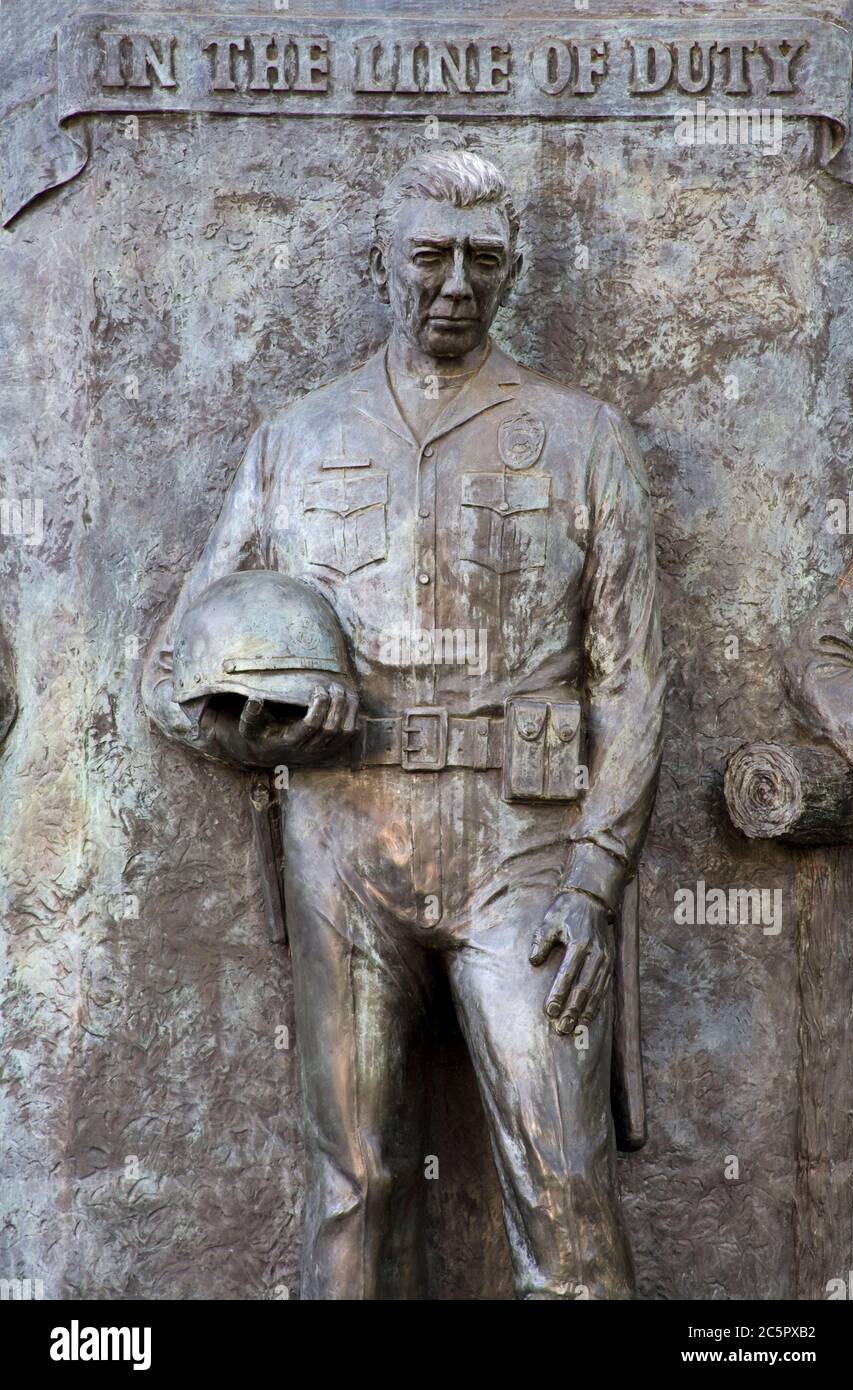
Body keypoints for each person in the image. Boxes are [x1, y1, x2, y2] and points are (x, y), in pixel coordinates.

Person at [143, 148, 666, 1300]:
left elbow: (630, 682)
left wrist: (594, 881)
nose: (454, 284)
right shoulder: (293, 438)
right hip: (344, 834)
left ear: (515, 267)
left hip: (525, 845)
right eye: (428, 255)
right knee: (352, 1184)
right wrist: (264, 725)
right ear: (382, 259)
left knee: (565, 1182)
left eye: (482, 260)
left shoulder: (583, 438)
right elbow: (172, 672)